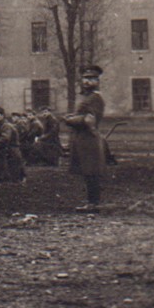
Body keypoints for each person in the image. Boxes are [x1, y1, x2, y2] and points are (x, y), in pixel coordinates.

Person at [65, 64, 108, 211]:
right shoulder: (86, 97)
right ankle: (91, 202)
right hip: (83, 138)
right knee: (87, 172)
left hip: (89, 139)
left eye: (91, 79)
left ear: (97, 81)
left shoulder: (95, 98)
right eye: (85, 78)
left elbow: (89, 120)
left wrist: (70, 120)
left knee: (91, 172)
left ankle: (93, 203)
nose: (87, 82)